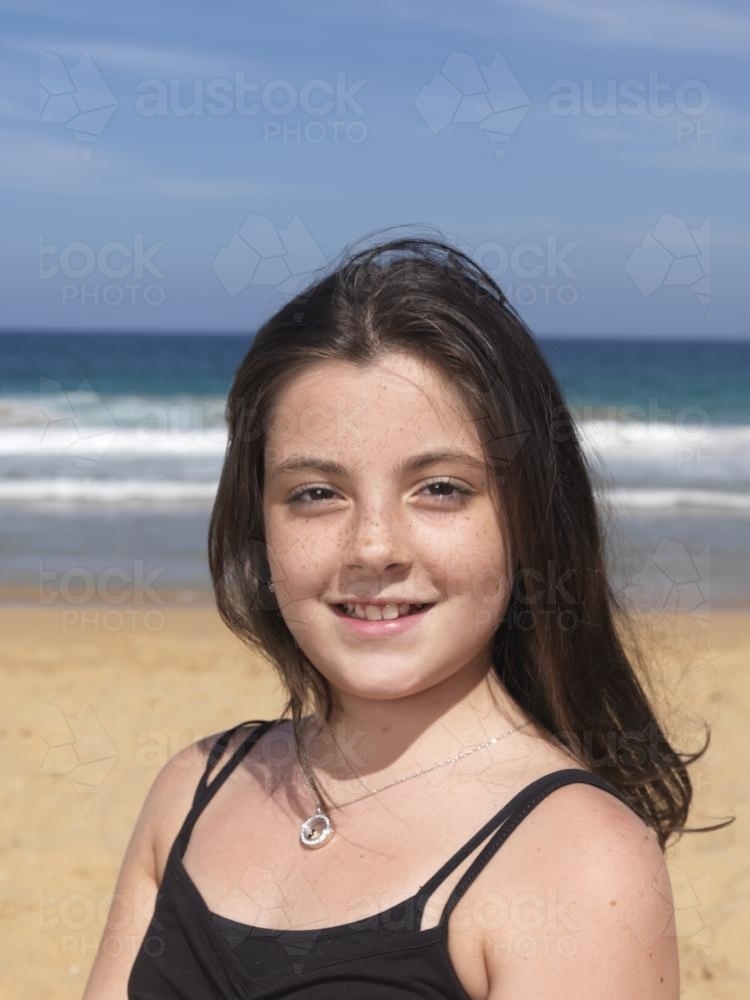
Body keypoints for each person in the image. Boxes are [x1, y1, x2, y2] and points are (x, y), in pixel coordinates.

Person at [83, 233, 730, 999]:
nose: (374, 547)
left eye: (441, 488)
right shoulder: (194, 788)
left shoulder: (577, 862)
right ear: (259, 523)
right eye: (316, 492)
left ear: (526, 516)